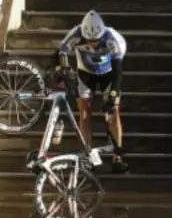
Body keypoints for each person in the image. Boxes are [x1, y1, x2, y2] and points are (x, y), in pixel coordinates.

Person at [55, 10, 129, 173]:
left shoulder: (113, 39)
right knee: (84, 114)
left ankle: (118, 158)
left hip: (108, 74)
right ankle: (86, 156)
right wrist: (62, 71)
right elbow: (60, 52)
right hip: (85, 74)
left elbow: (118, 72)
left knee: (114, 112)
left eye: (96, 41)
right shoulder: (76, 33)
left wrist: (113, 96)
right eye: (89, 40)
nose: (93, 44)